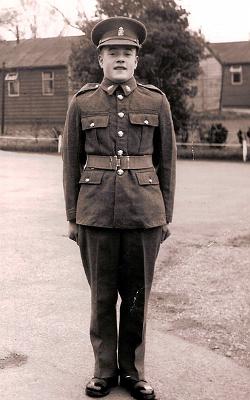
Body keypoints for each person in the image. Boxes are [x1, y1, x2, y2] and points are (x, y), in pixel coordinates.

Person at [63, 16, 176, 399]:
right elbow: (70, 164)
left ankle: (133, 372)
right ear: (101, 59)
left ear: (137, 60)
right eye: (113, 52)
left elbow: (168, 163)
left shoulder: (156, 101)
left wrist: (165, 216)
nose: (121, 58)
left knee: (137, 296)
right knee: (100, 297)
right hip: (94, 213)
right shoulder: (82, 102)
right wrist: (72, 217)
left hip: (145, 212)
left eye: (128, 52)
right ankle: (103, 371)